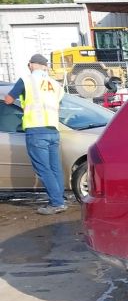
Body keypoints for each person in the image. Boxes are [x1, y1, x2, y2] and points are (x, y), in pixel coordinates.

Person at [3, 54, 67, 215]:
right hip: (53, 130)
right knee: (54, 168)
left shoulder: (27, 80)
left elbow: (9, 100)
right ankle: (59, 199)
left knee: (43, 169)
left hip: (36, 130)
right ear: (45, 66)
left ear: (31, 65)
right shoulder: (55, 84)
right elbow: (59, 103)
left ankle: (56, 203)